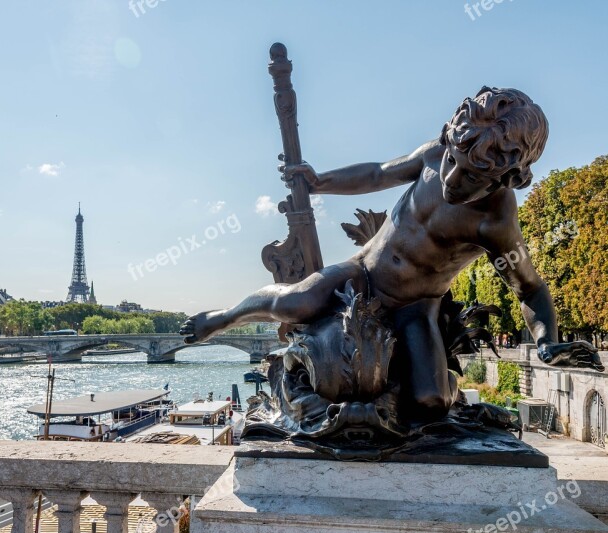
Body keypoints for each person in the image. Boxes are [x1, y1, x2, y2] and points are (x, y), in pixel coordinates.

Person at [181, 86, 603, 421]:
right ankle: (222, 317)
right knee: (295, 301)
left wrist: (547, 342)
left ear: (507, 179)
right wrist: (319, 181)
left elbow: (529, 289)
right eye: (454, 159)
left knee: (431, 400)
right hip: (362, 273)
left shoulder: (495, 224)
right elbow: (378, 173)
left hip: (414, 306)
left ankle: (454, 399)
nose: (451, 179)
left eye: (471, 176)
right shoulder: (435, 155)